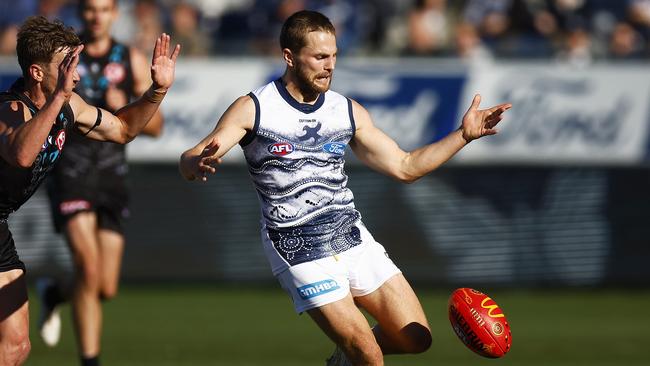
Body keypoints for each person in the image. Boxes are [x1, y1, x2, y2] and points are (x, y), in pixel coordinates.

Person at [179, 10, 510, 366]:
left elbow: (405, 166)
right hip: (298, 247)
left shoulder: (346, 111)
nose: (329, 65)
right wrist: (195, 163)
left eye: (334, 55)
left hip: (351, 237)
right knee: (369, 355)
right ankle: (354, 355)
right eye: (320, 56)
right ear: (289, 57)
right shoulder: (254, 108)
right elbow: (191, 157)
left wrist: (463, 136)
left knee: (416, 338)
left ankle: (342, 361)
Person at [0, 15, 179, 366]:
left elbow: (124, 129)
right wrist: (59, 98)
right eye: (67, 68)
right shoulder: (9, 110)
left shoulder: (70, 106)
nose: (77, 76)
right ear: (37, 73)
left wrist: (156, 91)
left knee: (16, 347)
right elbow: (21, 154)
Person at [38, 1, 164, 365]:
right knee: (88, 269)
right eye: (91, 8)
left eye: (104, 8)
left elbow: (155, 126)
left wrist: (125, 103)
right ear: (81, 12)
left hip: (111, 173)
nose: (97, 16)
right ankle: (90, 361)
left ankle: (55, 294)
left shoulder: (130, 58)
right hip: (70, 170)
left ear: (114, 14)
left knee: (104, 285)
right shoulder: (63, 57)